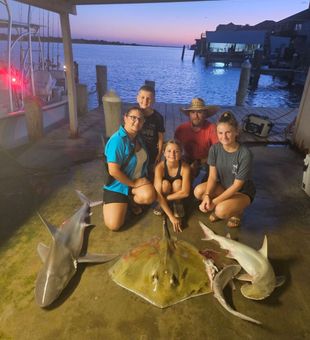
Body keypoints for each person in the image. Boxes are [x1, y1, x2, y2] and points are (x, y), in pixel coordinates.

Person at [194, 111, 256, 228]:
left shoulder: (245, 154)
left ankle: (238, 212)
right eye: (220, 133)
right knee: (198, 191)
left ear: (236, 132)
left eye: (228, 132)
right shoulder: (214, 149)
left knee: (220, 211)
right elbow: (212, 176)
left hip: (242, 191)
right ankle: (225, 204)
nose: (224, 137)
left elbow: (237, 186)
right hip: (223, 185)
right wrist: (207, 196)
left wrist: (214, 202)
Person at [103, 106, 156, 231]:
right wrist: (133, 184)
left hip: (137, 180)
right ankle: (118, 202)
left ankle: (130, 200)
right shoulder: (117, 140)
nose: (137, 122)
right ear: (125, 118)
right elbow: (113, 171)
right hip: (119, 184)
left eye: (140, 119)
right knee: (114, 225)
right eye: (133, 117)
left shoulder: (139, 138)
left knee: (149, 196)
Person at [175, 97, 219, 180]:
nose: (196, 116)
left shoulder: (212, 129)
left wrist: (199, 162)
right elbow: (175, 148)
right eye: (193, 112)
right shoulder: (181, 129)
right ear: (189, 114)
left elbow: (217, 153)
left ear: (205, 114)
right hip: (187, 159)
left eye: (199, 112)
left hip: (206, 162)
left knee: (203, 173)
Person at [153, 140, 191, 233]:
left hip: (176, 193)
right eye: (169, 151)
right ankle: (162, 205)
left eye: (176, 151)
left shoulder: (185, 167)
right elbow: (157, 193)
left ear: (181, 153)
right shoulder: (160, 167)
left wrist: (164, 199)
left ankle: (177, 204)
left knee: (178, 183)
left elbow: (185, 193)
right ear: (164, 153)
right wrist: (171, 217)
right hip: (165, 191)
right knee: (165, 184)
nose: (172, 154)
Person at [137, 85, 165, 178]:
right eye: (142, 97)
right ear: (137, 98)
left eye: (148, 99)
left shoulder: (158, 117)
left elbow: (161, 138)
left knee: (152, 174)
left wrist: (159, 155)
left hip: (152, 152)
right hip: (136, 150)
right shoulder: (133, 114)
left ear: (153, 100)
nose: (145, 101)